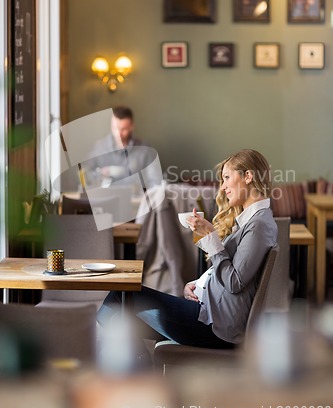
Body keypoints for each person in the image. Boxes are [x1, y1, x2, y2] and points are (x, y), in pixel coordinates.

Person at [97, 149, 278, 351]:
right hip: (211, 315)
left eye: (227, 178)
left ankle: (134, 366)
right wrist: (199, 284)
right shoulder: (253, 221)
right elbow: (236, 274)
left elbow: (235, 282)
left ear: (248, 176)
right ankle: (137, 367)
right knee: (119, 310)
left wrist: (211, 238)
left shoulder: (259, 224)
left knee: (117, 300)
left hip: (216, 327)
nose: (224, 187)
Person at [84, 106, 161, 189]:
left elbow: (155, 180)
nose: (119, 133)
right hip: (106, 199)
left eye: (123, 129)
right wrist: (98, 175)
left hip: (137, 200)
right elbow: (85, 173)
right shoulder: (99, 147)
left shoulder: (145, 149)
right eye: (115, 128)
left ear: (132, 127)